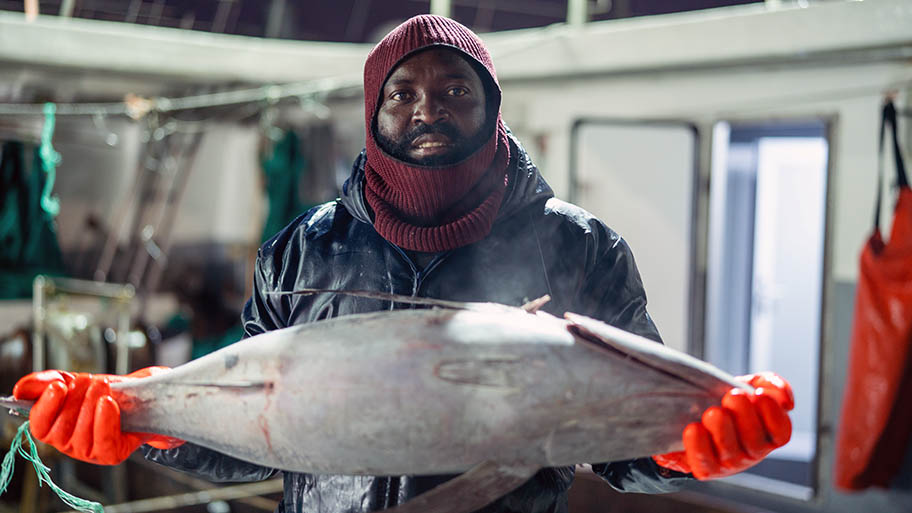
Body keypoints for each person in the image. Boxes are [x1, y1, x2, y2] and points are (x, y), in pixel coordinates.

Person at [13, 15, 794, 513]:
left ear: (492, 108)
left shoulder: (580, 247)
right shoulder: (302, 248)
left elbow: (627, 446)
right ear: (373, 115)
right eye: (402, 93)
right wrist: (140, 420)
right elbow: (243, 431)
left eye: (456, 88)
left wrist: (684, 441)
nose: (428, 107)